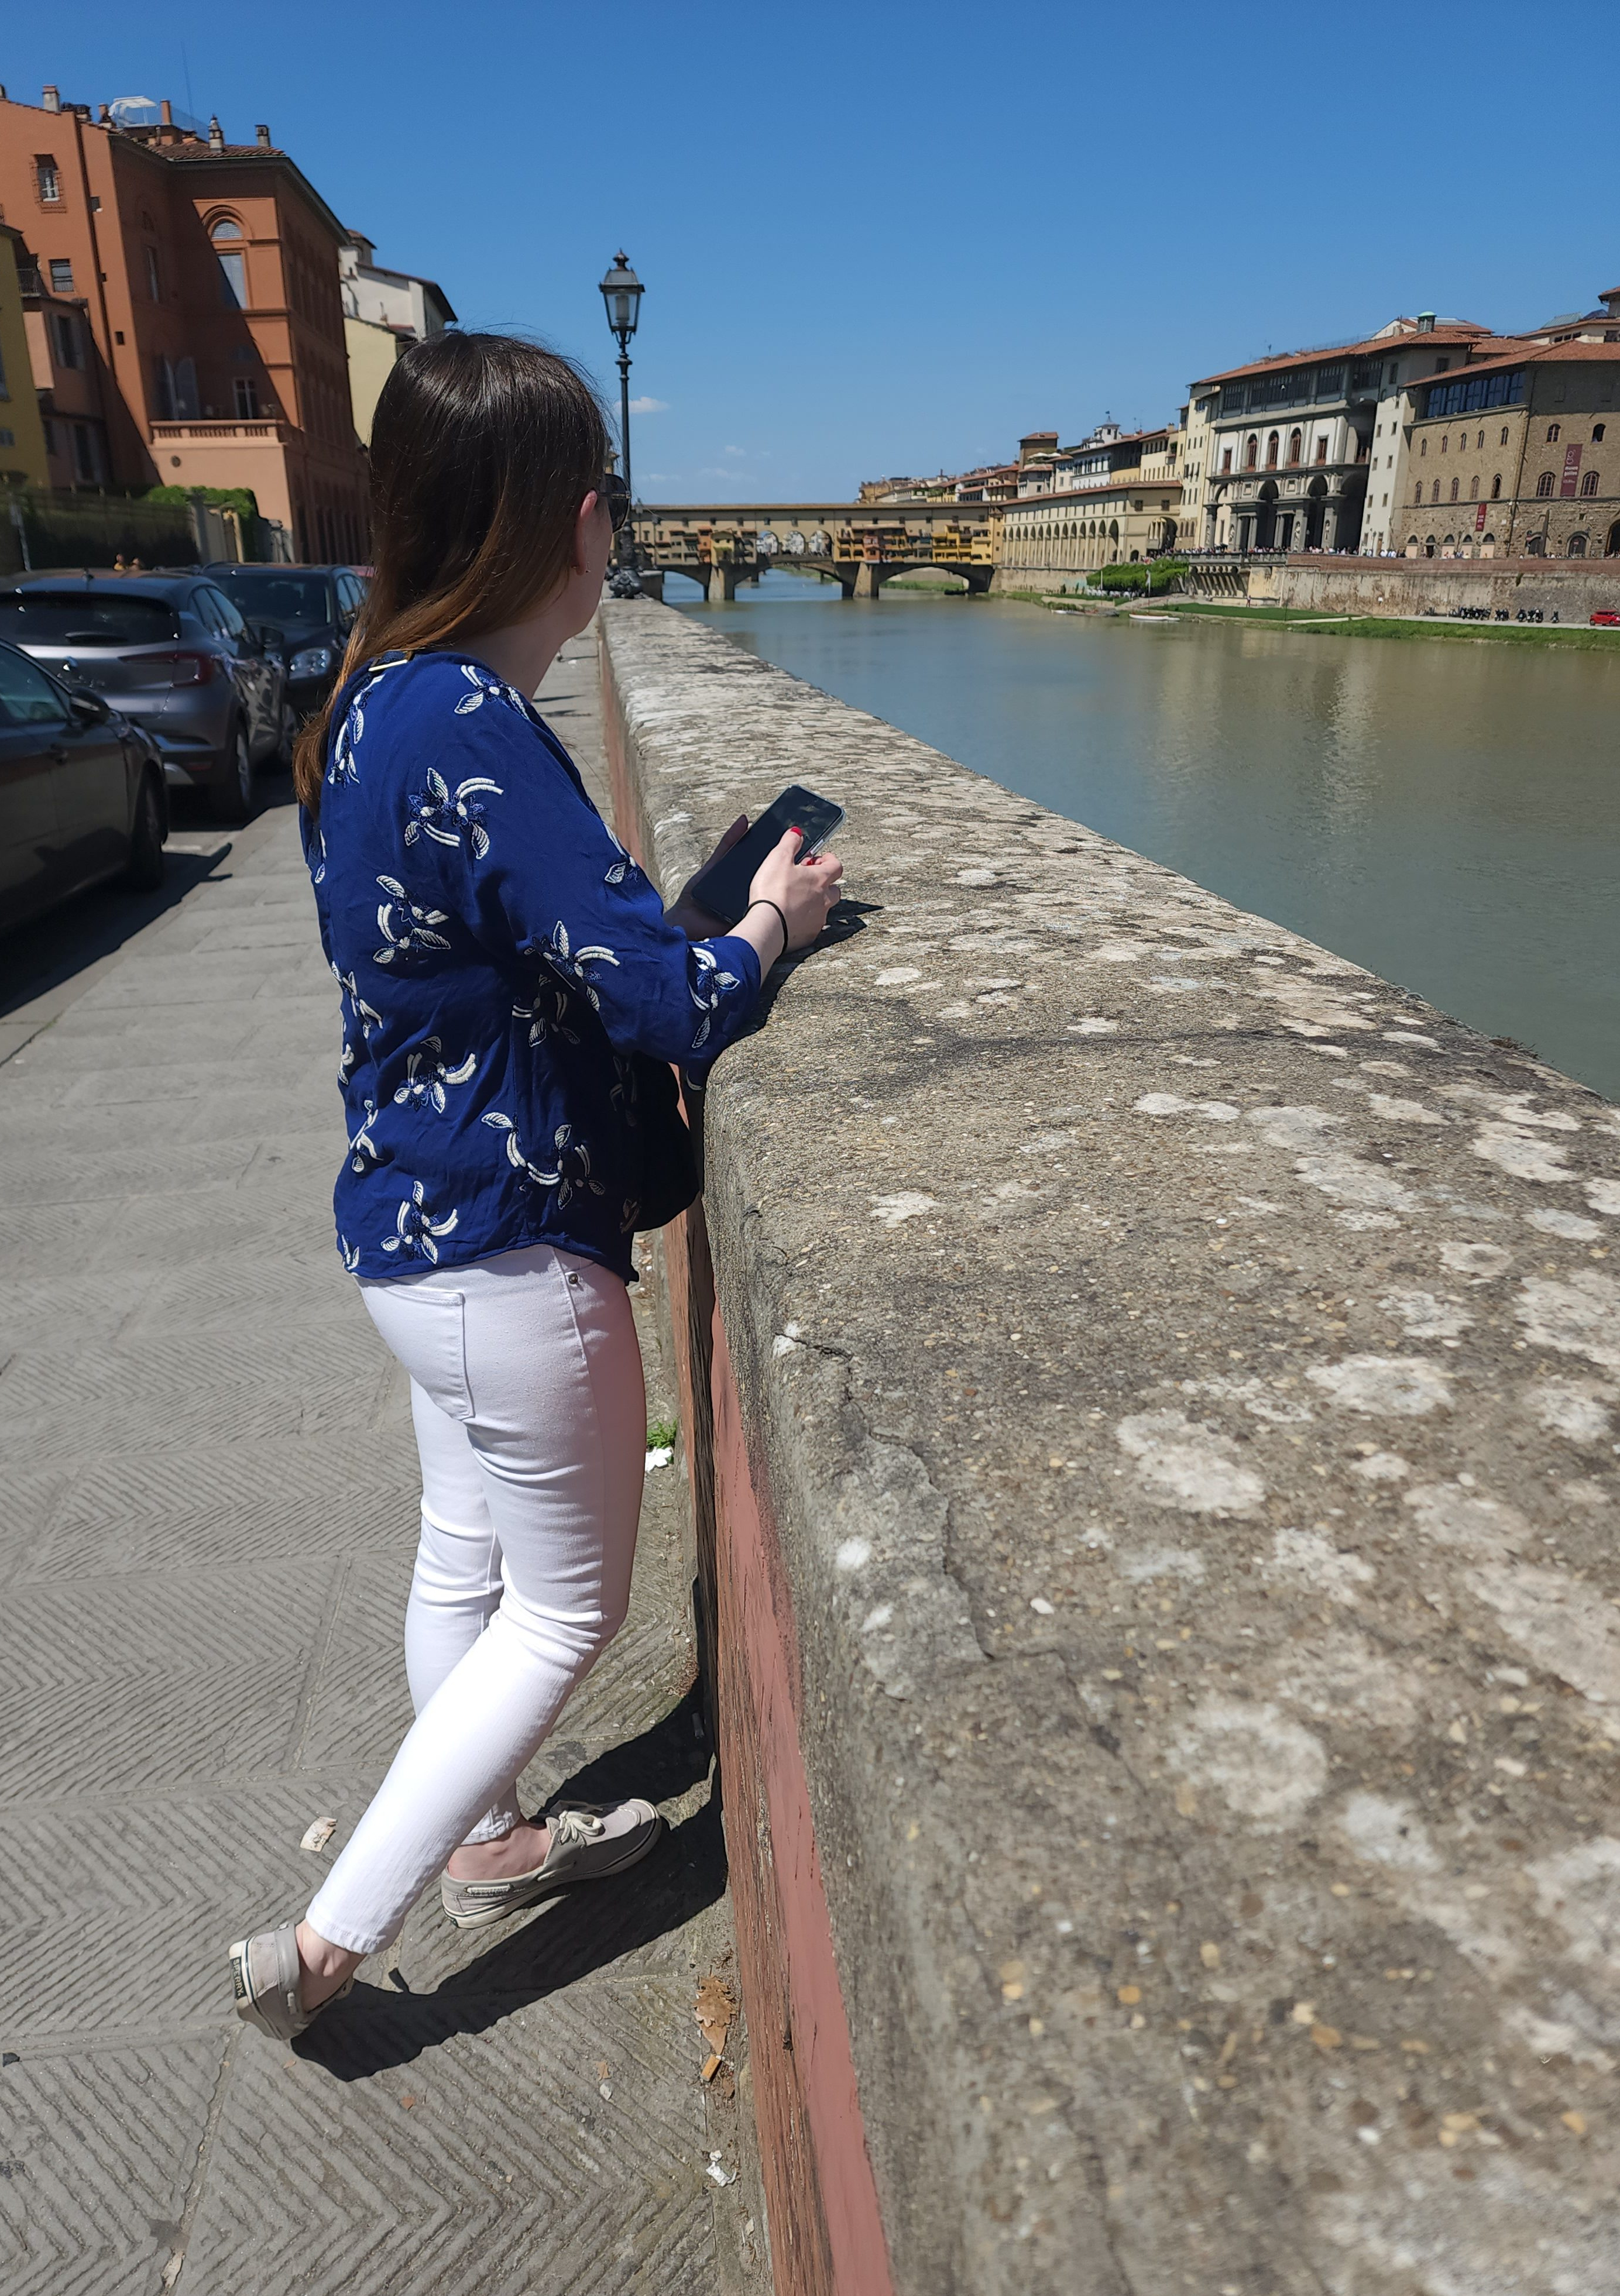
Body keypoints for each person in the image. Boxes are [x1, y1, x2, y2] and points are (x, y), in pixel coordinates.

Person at [229, 332, 842, 2040]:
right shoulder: (475, 727)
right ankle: (331, 1944)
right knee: (563, 1610)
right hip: (511, 1252)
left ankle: (490, 1836)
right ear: (569, 523)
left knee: (463, 1551)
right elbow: (674, 999)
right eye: (604, 493)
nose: (611, 517)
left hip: (402, 1236)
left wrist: (680, 909)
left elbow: (524, 940)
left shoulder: (368, 703)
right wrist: (772, 924)